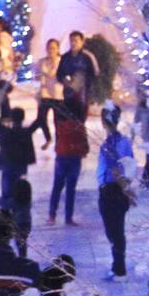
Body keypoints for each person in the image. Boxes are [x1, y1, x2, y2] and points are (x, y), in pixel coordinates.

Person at [96, 103, 136, 279]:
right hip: (120, 190)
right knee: (117, 230)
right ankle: (118, 265)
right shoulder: (124, 142)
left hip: (111, 191)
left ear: (103, 121)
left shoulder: (109, 144)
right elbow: (130, 166)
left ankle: (119, 268)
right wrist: (127, 189)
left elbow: (115, 170)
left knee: (114, 232)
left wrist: (126, 190)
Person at [47, 93, 90, 226]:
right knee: (71, 189)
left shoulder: (60, 126)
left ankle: (52, 215)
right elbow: (85, 146)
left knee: (57, 186)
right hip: (75, 159)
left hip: (61, 156)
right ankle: (68, 217)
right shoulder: (79, 127)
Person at [0, 101, 42, 216]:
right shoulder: (26, 132)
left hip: (8, 164)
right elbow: (39, 120)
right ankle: (18, 210)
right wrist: (40, 105)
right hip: (21, 165)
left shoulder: (5, 132)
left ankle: (6, 208)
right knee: (19, 188)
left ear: (11, 118)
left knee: (7, 189)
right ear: (23, 118)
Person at [56, 28, 99, 102]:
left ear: (82, 42)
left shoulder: (87, 57)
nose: (73, 43)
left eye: (76, 41)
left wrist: (83, 82)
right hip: (67, 94)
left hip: (83, 94)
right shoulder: (65, 57)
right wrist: (64, 79)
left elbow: (94, 73)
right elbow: (59, 74)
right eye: (71, 41)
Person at [33, 38, 63, 140]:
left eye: (53, 48)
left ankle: (59, 142)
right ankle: (48, 138)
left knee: (58, 121)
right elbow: (36, 76)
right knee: (41, 118)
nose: (51, 50)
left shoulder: (61, 61)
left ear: (58, 49)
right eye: (49, 48)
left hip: (58, 95)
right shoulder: (42, 62)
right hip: (44, 93)